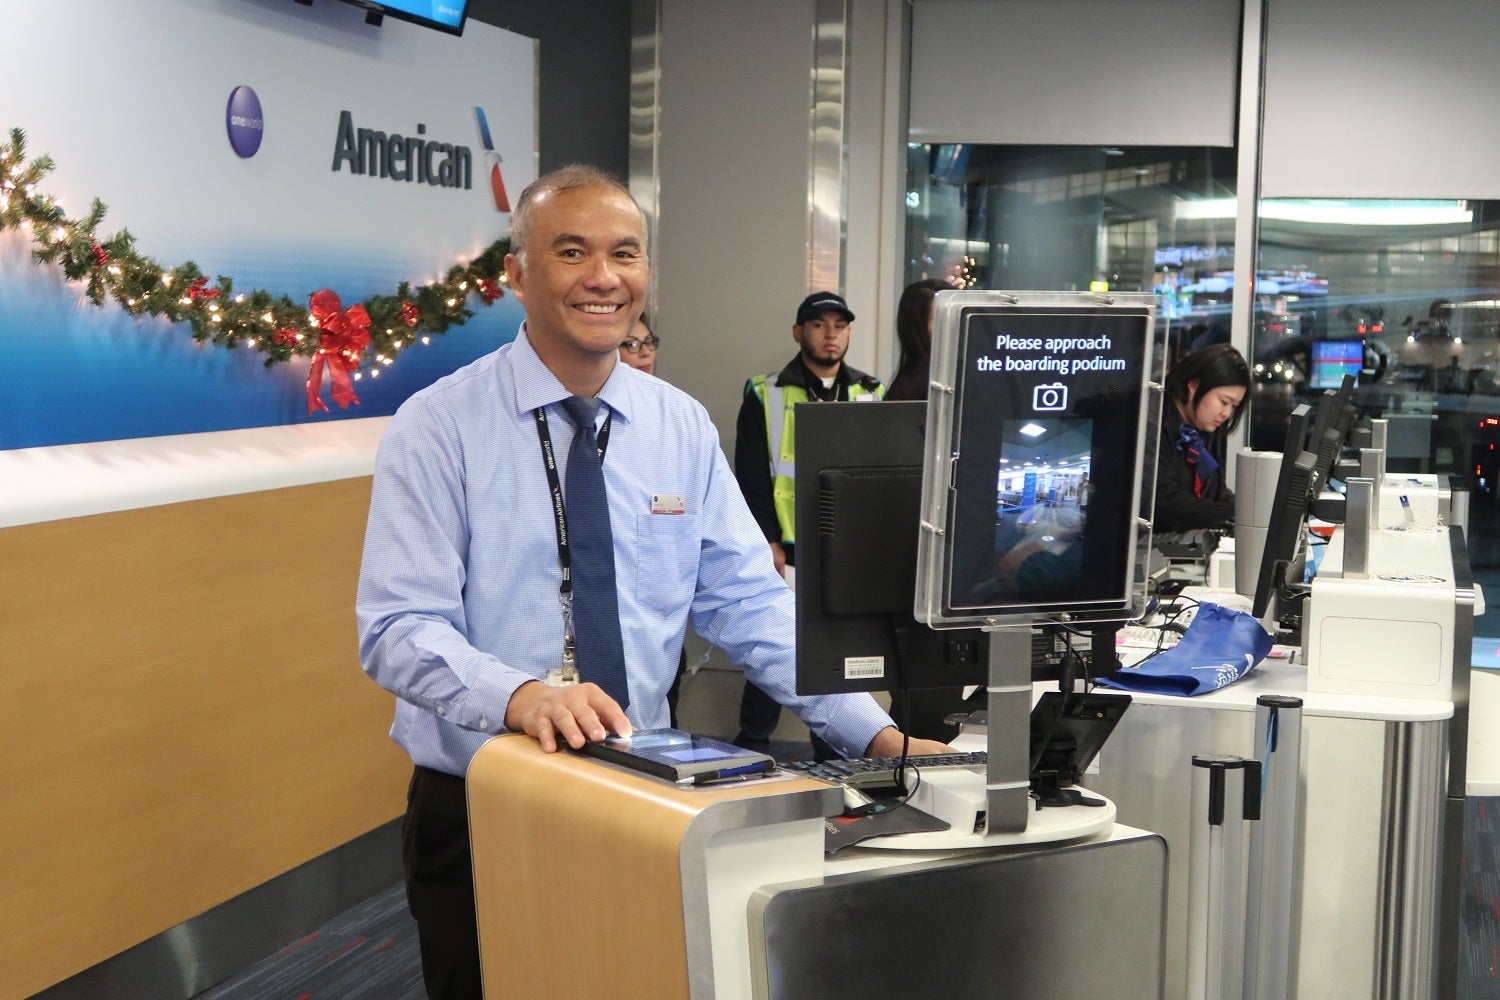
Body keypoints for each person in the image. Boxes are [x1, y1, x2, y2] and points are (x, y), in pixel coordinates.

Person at [356, 165, 948, 1000]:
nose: (604, 277)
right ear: (517, 275)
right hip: (486, 800)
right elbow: (397, 627)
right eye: (572, 252)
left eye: (625, 253)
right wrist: (520, 694)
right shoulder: (438, 427)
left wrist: (873, 734)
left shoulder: (677, 425)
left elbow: (747, 602)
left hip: (648, 793)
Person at [732, 290, 885, 755]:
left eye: (840, 325)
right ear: (800, 332)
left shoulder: (870, 391)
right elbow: (752, 474)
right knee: (776, 646)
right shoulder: (765, 391)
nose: (831, 334)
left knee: (835, 659)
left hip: (844, 552)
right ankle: (752, 745)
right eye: (819, 325)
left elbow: (879, 474)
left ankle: (832, 753)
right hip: (789, 550)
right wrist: (768, 542)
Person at [1154, 342, 1250, 534]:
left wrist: (1251, 515)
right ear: (1194, 386)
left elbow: (1217, 493)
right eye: (1224, 402)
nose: (1226, 414)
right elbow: (1165, 502)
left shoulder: (1200, 430)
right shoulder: (1154, 424)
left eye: (1234, 406)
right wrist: (1238, 515)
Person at [885, 277, 955, 402]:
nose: (952, 325)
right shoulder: (930, 385)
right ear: (917, 329)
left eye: (955, 315)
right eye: (940, 319)